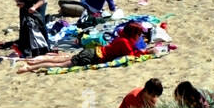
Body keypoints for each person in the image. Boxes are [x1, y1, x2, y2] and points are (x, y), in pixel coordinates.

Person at [15, 21, 149, 72]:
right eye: (139, 34)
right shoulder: (125, 42)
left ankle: (35, 60)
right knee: (63, 64)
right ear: (134, 33)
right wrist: (146, 52)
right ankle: (32, 66)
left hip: (93, 51)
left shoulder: (122, 38)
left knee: (63, 59)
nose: (140, 37)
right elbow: (131, 55)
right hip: (94, 56)